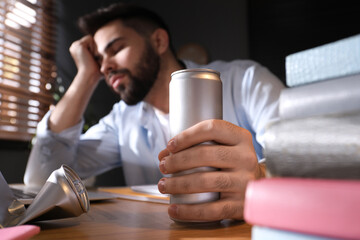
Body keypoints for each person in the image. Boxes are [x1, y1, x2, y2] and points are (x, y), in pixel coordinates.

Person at [24, 3, 284, 222]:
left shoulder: (246, 81)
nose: (106, 67)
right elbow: (41, 177)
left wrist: (260, 176)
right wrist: (85, 77)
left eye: (115, 50)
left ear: (159, 41)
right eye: (100, 61)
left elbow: (308, 156)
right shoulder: (121, 119)